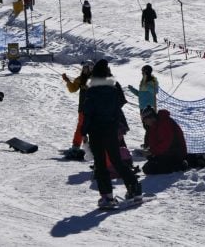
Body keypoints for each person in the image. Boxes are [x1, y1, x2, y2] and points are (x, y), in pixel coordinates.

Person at [82, 59, 141, 209]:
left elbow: (87, 113)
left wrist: (84, 133)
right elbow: (119, 106)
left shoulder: (91, 92)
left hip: (96, 132)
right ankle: (135, 189)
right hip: (111, 130)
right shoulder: (113, 89)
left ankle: (107, 196)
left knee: (101, 164)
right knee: (117, 161)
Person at [140, 106, 188, 175]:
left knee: (148, 169)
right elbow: (152, 140)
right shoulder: (154, 125)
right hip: (167, 152)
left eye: (145, 120)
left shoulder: (164, 123)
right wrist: (147, 148)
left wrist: (152, 151)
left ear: (151, 118)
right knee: (150, 161)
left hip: (175, 153)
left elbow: (166, 144)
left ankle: (180, 165)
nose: (145, 123)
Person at [61, 60, 93, 159]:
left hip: (93, 108)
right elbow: (72, 89)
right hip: (83, 108)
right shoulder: (80, 79)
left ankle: (93, 146)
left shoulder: (95, 79)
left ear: (91, 68)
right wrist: (67, 81)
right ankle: (76, 146)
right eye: (83, 68)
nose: (84, 70)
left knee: (93, 127)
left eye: (86, 68)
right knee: (80, 127)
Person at [128, 65, 159, 145]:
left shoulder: (152, 80)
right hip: (142, 107)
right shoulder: (143, 81)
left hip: (149, 107)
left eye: (143, 71)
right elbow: (140, 94)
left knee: (149, 126)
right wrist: (132, 90)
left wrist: (147, 86)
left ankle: (149, 144)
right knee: (146, 126)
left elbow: (155, 91)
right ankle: (149, 143)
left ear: (146, 71)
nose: (142, 72)